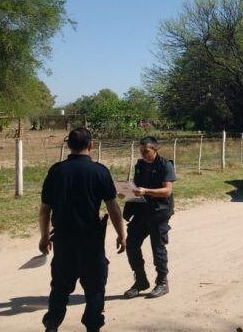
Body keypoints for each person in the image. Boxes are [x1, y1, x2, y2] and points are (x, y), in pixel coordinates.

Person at [39, 128, 126, 332]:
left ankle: (52, 324)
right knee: (95, 288)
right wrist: (122, 234)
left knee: (60, 287)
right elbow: (113, 207)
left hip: (63, 239)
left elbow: (45, 210)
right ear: (91, 145)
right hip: (91, 242)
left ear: (68, 145)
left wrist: (44, 237)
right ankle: (92, 326)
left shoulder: (56, 171)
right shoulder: (100, 171)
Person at [123, 136, 176, 299]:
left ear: (155, 149)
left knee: (158, 248)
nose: (143, 155)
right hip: (140, 212)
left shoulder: (165, 165)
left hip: (159, 212)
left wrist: (146, 191)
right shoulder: (139, 165)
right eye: (141, 152)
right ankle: (140, 281)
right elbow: (136, 188)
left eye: (146, 151)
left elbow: (167, 191)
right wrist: (125, 192)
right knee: (131, 245)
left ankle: (162, 282)